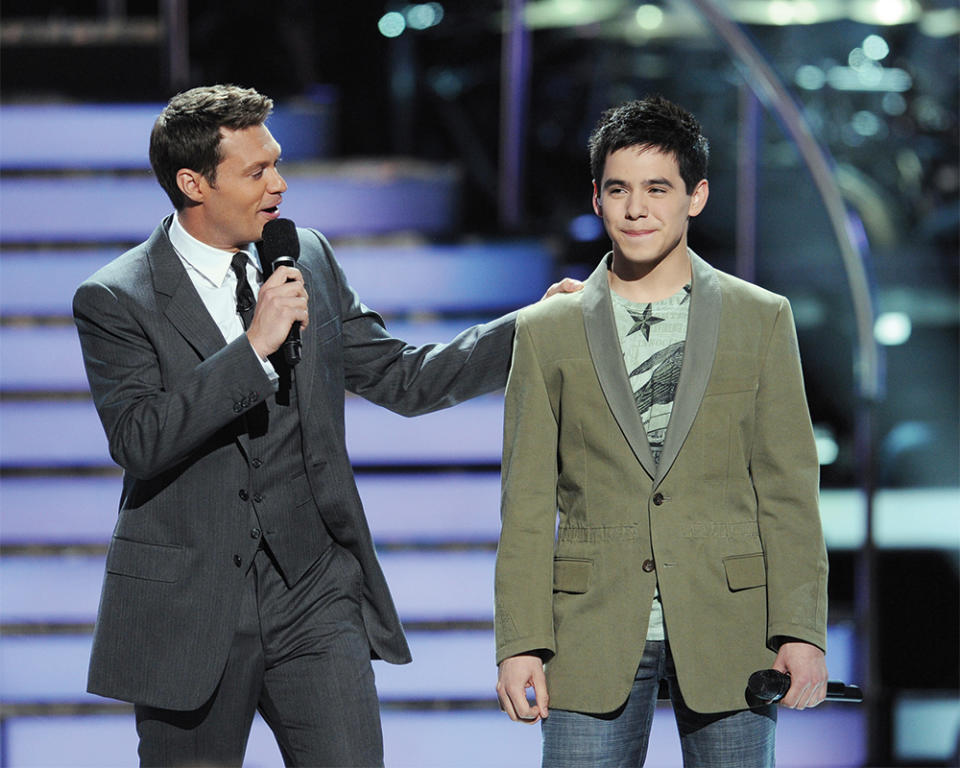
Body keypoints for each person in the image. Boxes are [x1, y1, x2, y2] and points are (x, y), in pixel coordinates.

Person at [73, 83, 578, 767]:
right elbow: (139, 438)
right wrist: (252, 350)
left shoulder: (304, 255)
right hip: (190, 607)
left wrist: (533, 329)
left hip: (314, 591)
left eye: (276, 163)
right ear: (194, 183)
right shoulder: (116, 296)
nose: (279, 184)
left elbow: (403, 376)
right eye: (257, 172)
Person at [494, 95, 829, 767]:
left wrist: (801, 629)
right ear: (596, 198)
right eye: (618, 189)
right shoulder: (544, 330)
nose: (636, 208)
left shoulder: (759, 318)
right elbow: (526, 501)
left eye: (658, 189)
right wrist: (520, 641)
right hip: (590, 623)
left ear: (696, 196)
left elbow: (788, 486)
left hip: (730, 622)